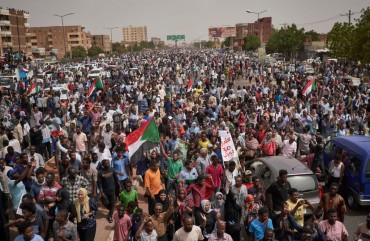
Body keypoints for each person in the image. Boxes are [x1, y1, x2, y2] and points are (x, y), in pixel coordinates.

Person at [98, 159, 120, 223]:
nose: (108, 164)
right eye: (106, 163)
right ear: (103, 164)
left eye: (108, 163)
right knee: (105, 203)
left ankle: (110, 216)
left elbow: (116, 178)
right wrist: (102, 192)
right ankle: (112, 210)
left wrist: (119, 186)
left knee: (112, 203)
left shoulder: (112, 169)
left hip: (112, 190)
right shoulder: (100, 172)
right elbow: (99, 183)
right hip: (104, 191)